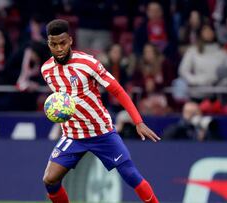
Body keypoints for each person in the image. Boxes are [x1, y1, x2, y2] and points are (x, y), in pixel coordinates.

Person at [41, 19, 160, 203]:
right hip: (73, 135)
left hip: (101, 132)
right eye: (53, 44)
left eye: (62, 43)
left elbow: (118, 90)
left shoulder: (88, 63)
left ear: (71, 40)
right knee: (50, 179)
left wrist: (138, 121)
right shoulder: (46, 70)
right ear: (48, 43)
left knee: (131, 175)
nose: (58, 48)